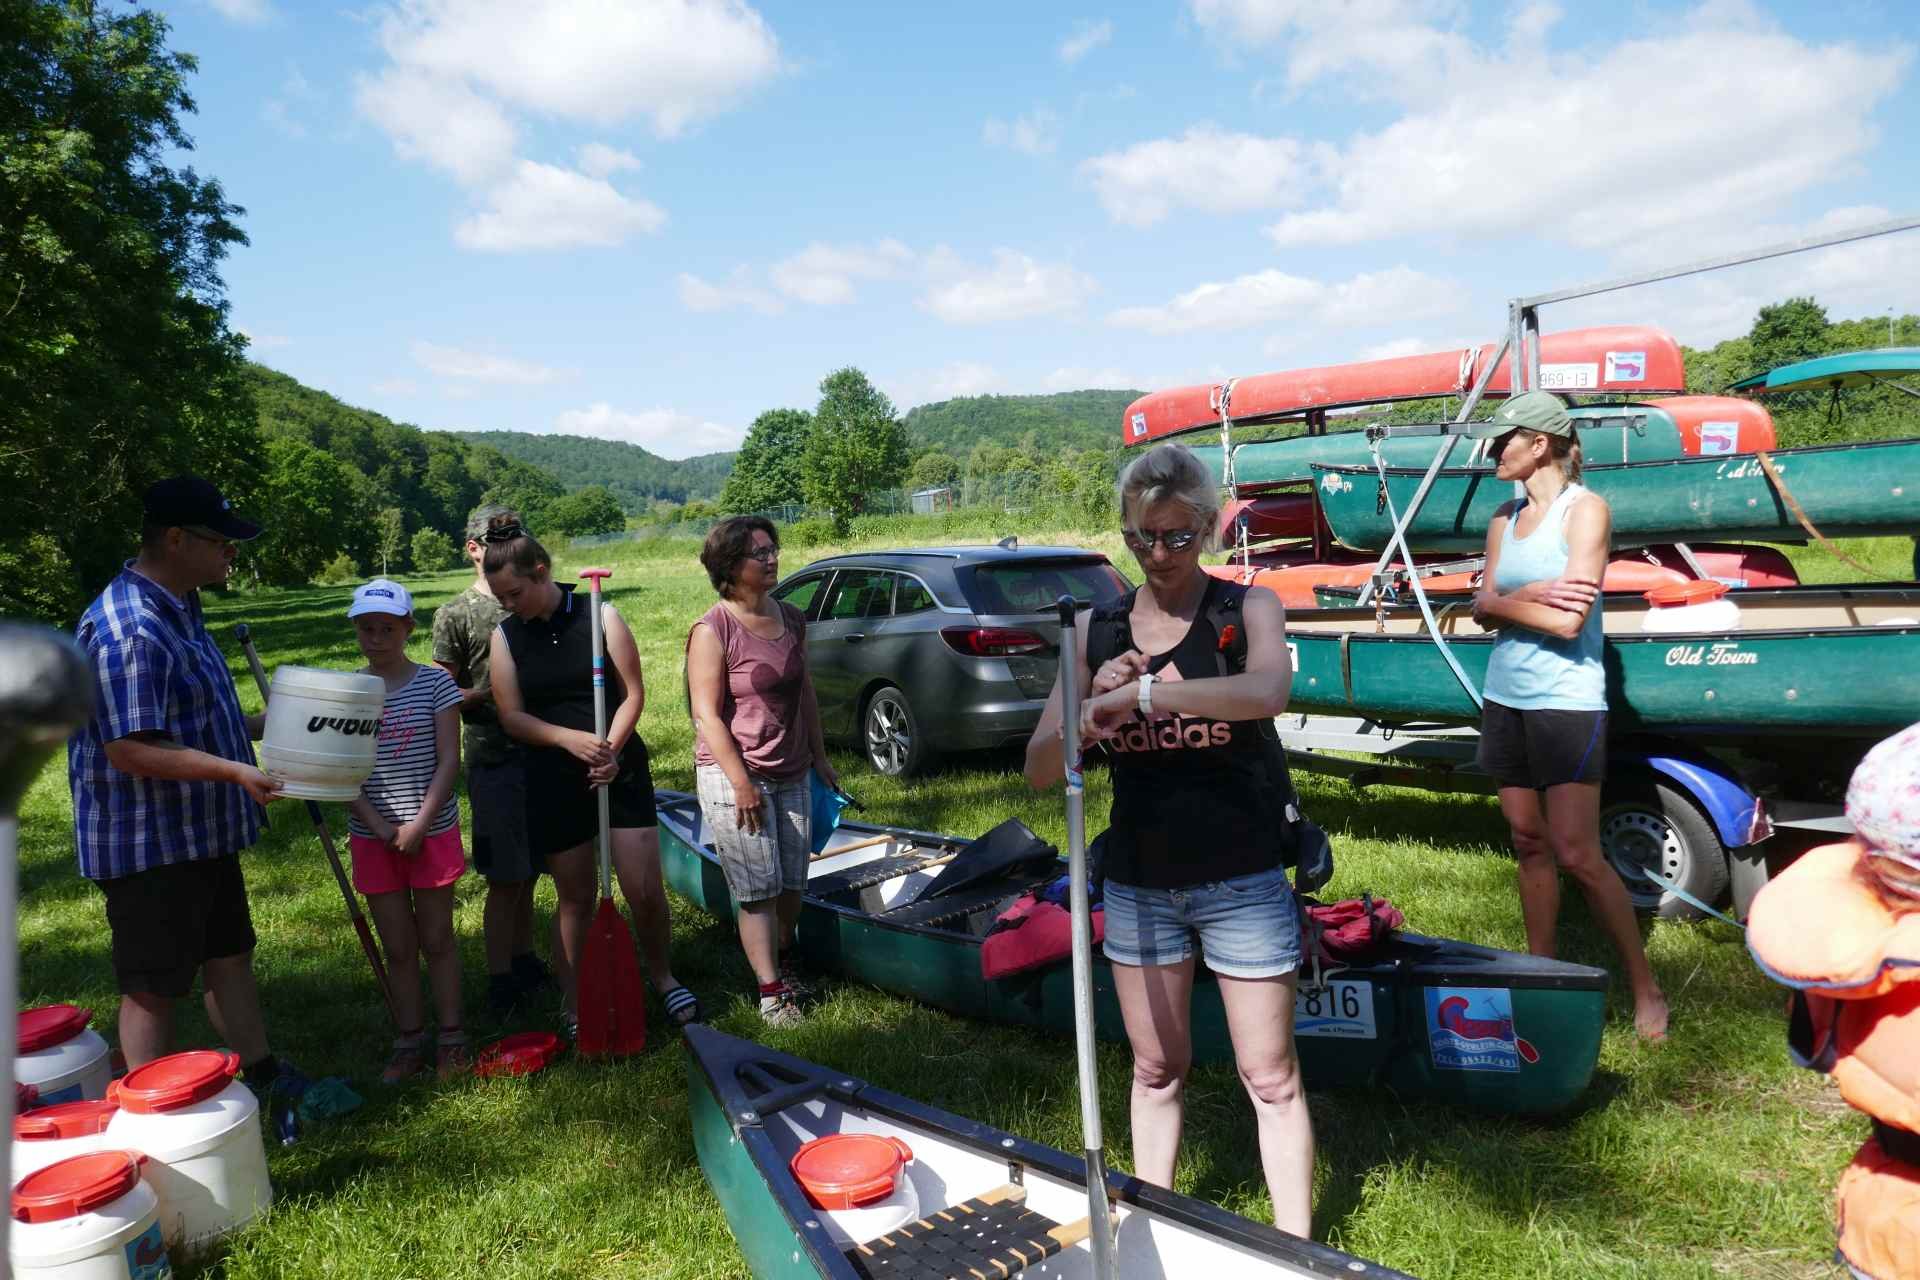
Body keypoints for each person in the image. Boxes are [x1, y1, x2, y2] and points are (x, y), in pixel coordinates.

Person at [1024, 443, 1312, 1236]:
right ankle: (1156, 1229)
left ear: (1208, 528)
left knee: (1270, 1077)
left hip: (1242, 877)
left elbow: (1268, 691)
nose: (1158, 554)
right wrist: (1089, 712)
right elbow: (1040, 767)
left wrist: (1148, 695)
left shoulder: (1245, 609)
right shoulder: (1094, 629)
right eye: (1141, 537)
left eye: (1178, 536)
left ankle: (1296, 1249)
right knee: (1155, 1069)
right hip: (1141, 883)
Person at [66, 475, 305, 1101]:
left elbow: (192, 721)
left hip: (200, 830)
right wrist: (237, 772)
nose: (232, 552)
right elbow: (130, 748)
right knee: (154, 986)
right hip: (149, 842)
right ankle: (150, 1109)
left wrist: (275, 725)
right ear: (176, 539)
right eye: (221, 541)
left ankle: (263, 1074)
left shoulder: (180, 604)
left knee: (229, 954)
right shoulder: (131, 630)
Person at [1469, 390, 1670, 1041]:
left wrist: (1502, 603)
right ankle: (1542, 977)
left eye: (1503, 441)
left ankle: (1646, 988)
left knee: (1578, 852)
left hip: (1566, 700)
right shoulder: (1503, 517)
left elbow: (1567, 621)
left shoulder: (1586, 512)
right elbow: (1482, 607)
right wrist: (1520, 596)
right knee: (1527, 841)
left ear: (1540, 443)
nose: (1492, 452)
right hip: (1507, 695)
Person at [481, 515, 699, 1035]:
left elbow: (633, 695)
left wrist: (610, 750)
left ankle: (662, 976)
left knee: (643, 888)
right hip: (554, 776)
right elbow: (512, 717)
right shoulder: (505, 637)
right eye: (500, 597)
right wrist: (568, 739)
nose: (508, 604)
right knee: (575, 898)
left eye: (514, 593)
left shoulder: (602, 615)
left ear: (540, 572)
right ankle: (575, 1000)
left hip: (619, 769)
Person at [686, 516, 838, 1027]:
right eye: (760, 553)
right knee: (758, 890)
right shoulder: (713, 629)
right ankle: (771, 993)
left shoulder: (792, 618)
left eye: (773, 549)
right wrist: (740, 782)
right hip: (734, 772)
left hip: (792, 768)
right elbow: (706, 715)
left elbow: (805, 690)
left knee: (793, 884)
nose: (773, 558)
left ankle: (782, 957)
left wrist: (820, 757)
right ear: (730, 567)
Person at [432, 504, 555, 1023]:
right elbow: (440, 693)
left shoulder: (537, 597)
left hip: (544, 753)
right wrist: (492, 694)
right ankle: (500, 978)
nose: (503, 548)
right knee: (505, 875)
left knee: (532, 871)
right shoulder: (456, 614)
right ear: (473, 548)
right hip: (494, 757)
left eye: (513, 539)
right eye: (492, 541)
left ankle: (524, 958)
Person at [344, 578, 469, 1081]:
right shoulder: (349, 693)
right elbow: (341, 771)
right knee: (397, 946)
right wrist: (377, 824)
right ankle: (410, 1038)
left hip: (431, 831)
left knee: (437, 939)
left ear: (407, 629)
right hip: (371, 834)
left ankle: (452, 1036)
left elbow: (449, 760)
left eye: (387, 629)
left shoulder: (435, 685)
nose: (376, 639)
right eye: (366, 629)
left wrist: (418, 824)